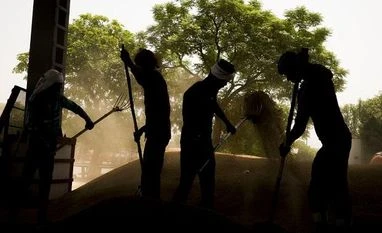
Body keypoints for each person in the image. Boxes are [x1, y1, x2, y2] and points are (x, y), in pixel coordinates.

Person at [277, 49, 352, 233]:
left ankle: (322, 224)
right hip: (339, 139)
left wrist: (286, 142)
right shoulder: (319, 78)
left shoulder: (309, 89)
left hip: (335, 142)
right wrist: (306, 67)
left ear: (295, 69)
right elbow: (325, 71)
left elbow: (300, 126)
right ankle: (336, 222)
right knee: (336, 182)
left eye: (287, 74)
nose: (287, 79)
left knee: (319, 184)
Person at [17, 68, 94, 223]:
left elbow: (75, 107)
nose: (59, 89)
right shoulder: (35, 101)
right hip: (37, 145)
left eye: (60, 87)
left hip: (49, 146)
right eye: (57, 86)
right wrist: (44, 142)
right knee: (27, 177)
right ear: (50, 86)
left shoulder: (58, 99)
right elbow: (30, 125)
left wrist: (88, 119)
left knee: (46, 180)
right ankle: (16, 210)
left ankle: (42, 214)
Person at [172, 59, 237, 209]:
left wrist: (227, 123)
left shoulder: (210, 90)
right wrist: (198, 140)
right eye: (224, 81)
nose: (225, 84)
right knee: (187, 181)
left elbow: (214, 105)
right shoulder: (195, 92)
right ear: (216, 78)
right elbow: (190, 120)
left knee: (208, 180)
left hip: (203, 143)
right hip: (192, 143)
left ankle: (206, 210)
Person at [120, 47, 171, 199]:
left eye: (139, 64)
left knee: (151, 170)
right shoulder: (153, 79)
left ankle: (150, 200)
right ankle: (149, 196)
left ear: (145, 65)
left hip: (159, 133)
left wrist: (128, 62)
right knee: (150, 170)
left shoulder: (154, 78)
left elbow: (160, 114)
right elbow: (157, 114)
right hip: (157, 131)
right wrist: (143, 129)